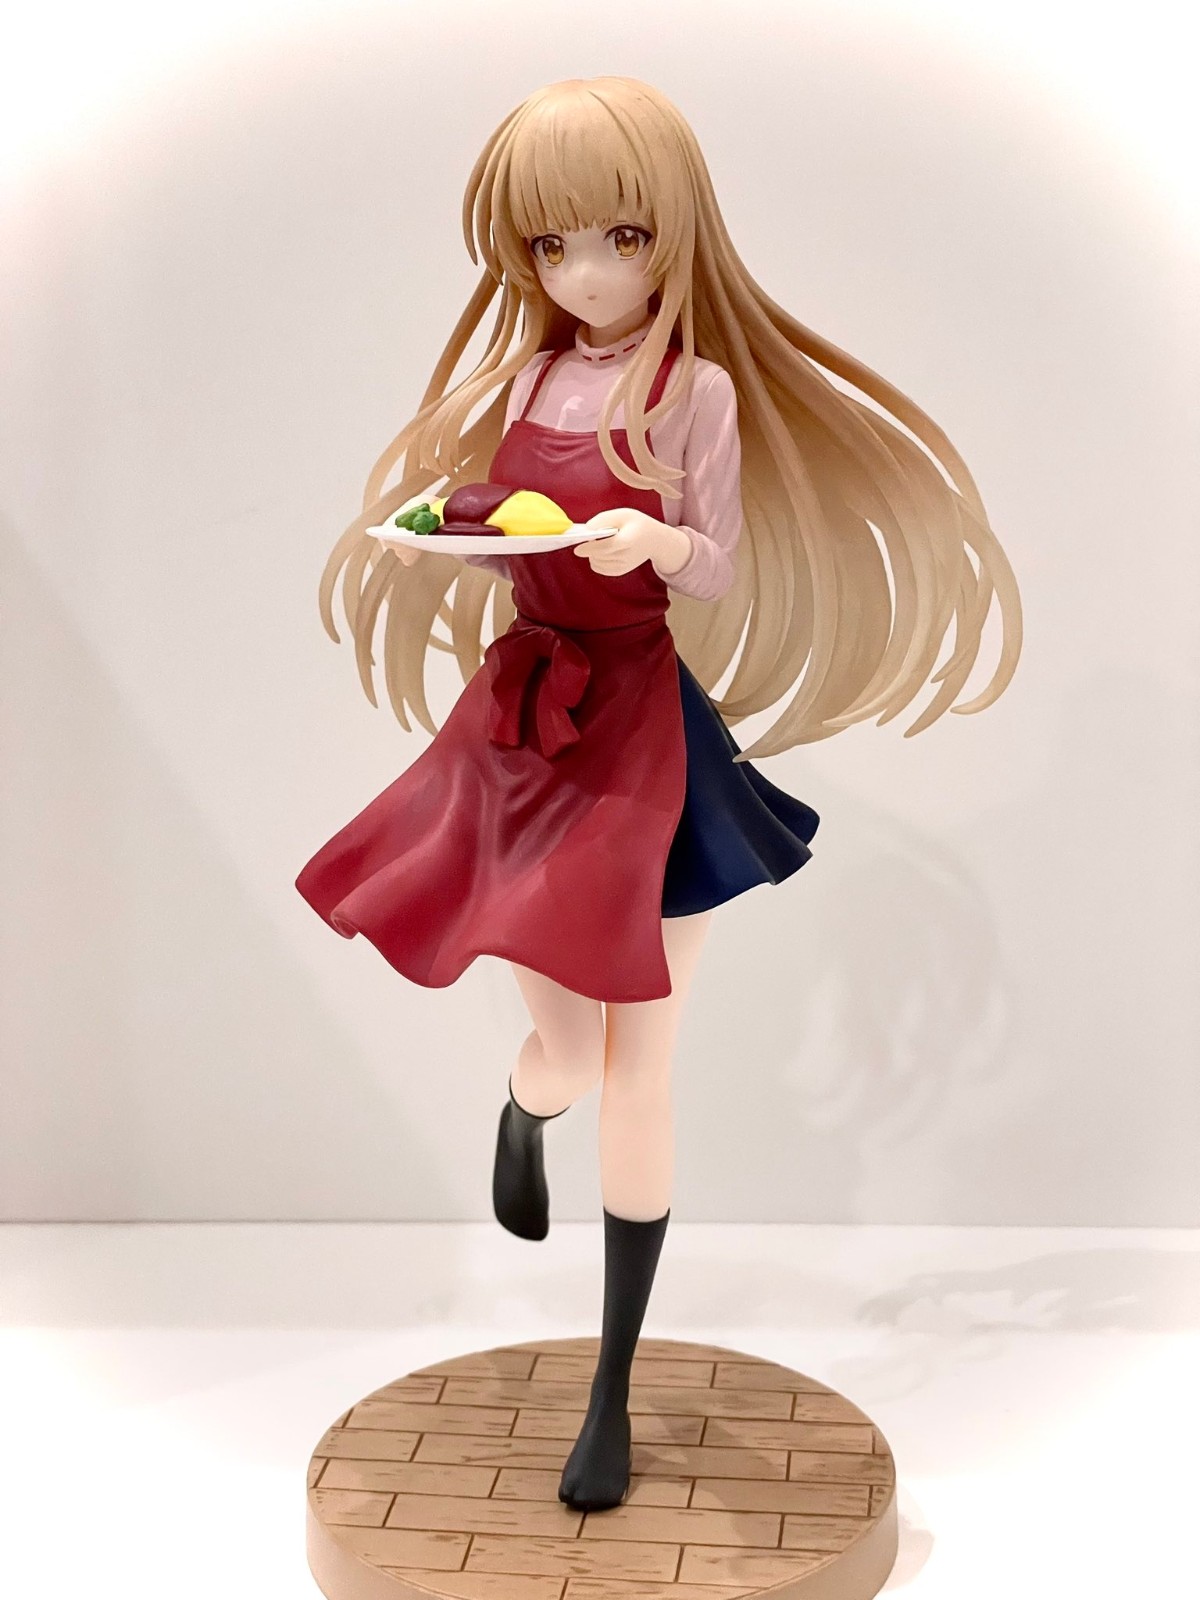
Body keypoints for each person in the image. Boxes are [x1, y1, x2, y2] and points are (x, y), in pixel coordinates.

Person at [295, 75, 1023, 1513]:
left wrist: (656, 544)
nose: (586, 273)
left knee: (648, 1059)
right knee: (569, 1053)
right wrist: (471, 540)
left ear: (673, 234)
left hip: (642, 729)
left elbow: (722, 558)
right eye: (552, 244)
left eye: (621, 236)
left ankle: (612, 1388)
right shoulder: (524, 383)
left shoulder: (697, 392)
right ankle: (526, 1109)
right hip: (526, 720)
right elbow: (499, 529)